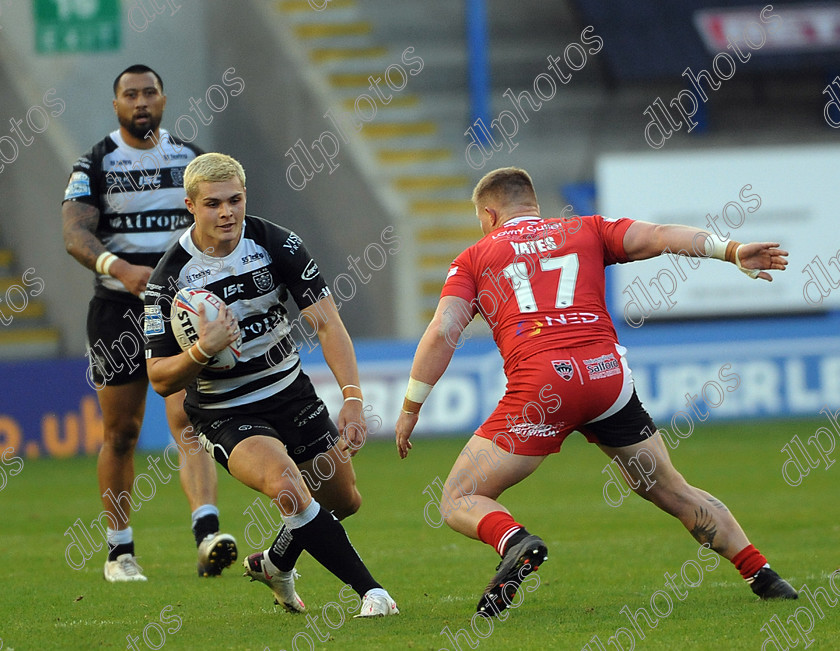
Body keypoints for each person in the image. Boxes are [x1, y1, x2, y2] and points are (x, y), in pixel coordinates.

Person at [395, 167, 797, 616]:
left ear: (489, 215)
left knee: (457, 498)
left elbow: (443, 331)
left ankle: (515, 541)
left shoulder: (475, 257)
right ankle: (763, 575)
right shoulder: (586, 229)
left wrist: (412, 406)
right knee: (671, 489)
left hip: (544, 385)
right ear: (533, 205)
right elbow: (662, 235)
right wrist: (733, 250)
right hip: (608, 378)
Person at [144, 152, 398, 617]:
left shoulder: (276, 244)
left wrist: (354, 400)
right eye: (213, 204)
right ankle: (372, 592)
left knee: (343, 500)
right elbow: (159, 378)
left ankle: (276, 562)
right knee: (287, 484)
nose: (226, 213)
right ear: (190, 206)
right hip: (227, 411)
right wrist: (203, 348)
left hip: (290, 392)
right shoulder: (168, 280)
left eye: (235, 200)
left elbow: (327, 324)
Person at [62, 65, 236, 582]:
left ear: (164, 99)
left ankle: (207, 535)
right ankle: (120, 552)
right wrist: (120, 269)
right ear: (115, 104)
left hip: (177, 306)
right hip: (117, 308)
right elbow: (74, 233)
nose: (140, 102)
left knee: (188, 420)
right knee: (122, 432)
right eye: (130, 94)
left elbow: (215, 222)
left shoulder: (191, 161)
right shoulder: (95, 163)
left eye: (149, 93)